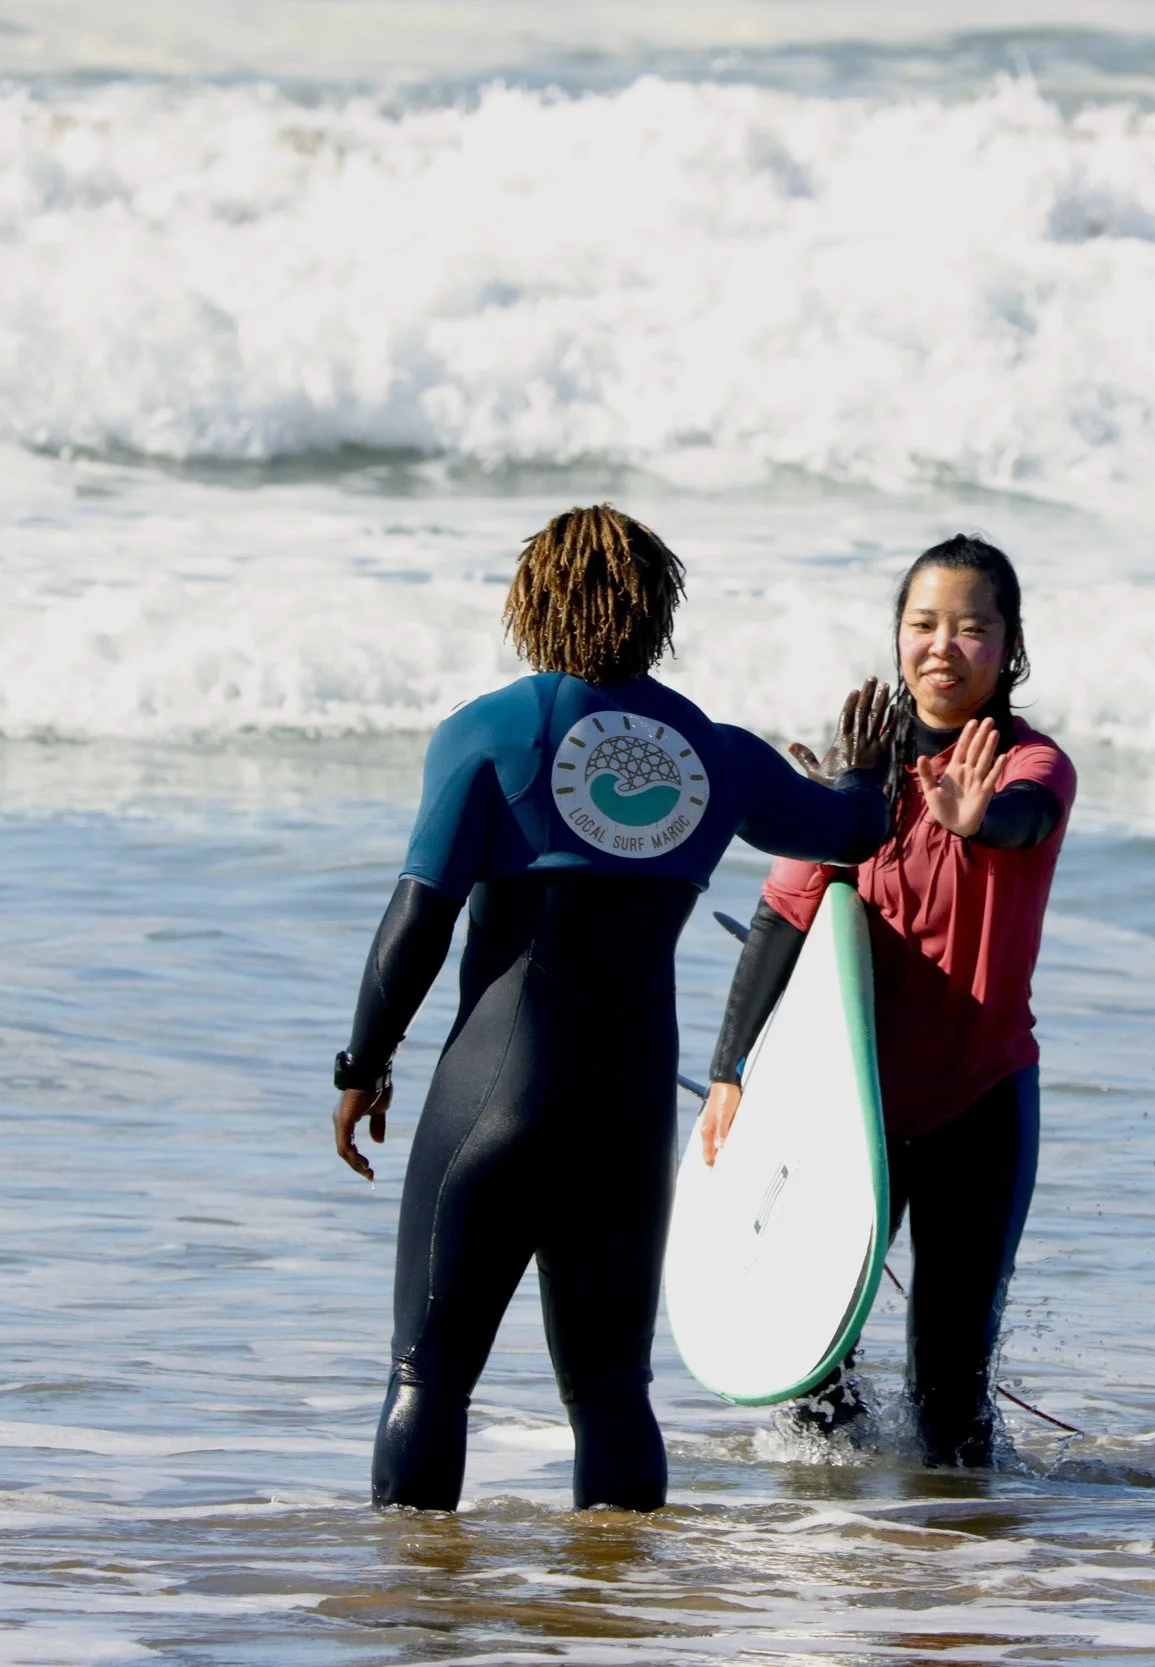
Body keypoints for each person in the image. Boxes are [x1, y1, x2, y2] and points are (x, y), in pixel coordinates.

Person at [330, 504, 892, 1513]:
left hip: (491, 1100)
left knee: (430, 1375)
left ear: (530, 604)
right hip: (627, 1119)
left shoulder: (491, 729)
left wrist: (362, 1064)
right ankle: (618, 1618)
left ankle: (410, 1618)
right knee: (611, 1392)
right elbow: (850, 830)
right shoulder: (717, 756)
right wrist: (866, 774)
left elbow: (418, 915)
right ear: (657, 612)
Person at [700, 533, 1074, 1468]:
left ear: (1010, 646)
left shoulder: (1031, 767)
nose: (943, 645)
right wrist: (728, 1072)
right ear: (897, 636)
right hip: (841, 1110)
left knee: (950, 1401)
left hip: (976, 1101)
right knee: (809, 1379)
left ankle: (949, 1582)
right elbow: (784, 916)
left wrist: (972, 815)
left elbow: (1025, 822)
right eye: (922, 624)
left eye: (972, 628)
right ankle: (842, 1569)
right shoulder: (855, 776)